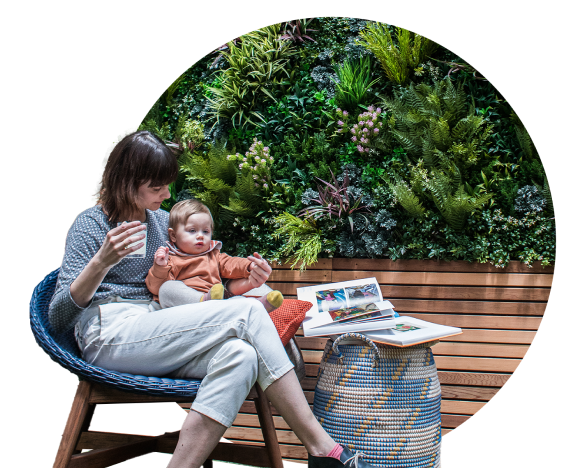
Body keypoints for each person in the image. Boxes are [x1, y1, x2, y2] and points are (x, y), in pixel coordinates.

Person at [48, 130, 377, 468]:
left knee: (242, 355)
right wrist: (100, 262)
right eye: (157, 187)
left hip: (159, 328)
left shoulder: (162, 223)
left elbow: (204, 274)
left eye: (167, 184)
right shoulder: (90, 225)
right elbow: (58, 316)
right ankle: (324, 450)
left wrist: (248, 279)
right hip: (109, 332)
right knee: (246, 313)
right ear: (127, 181)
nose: (167, 193)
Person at [145, 198, 284, 313]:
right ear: (173, 235)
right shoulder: (171, 259)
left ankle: (256, 306)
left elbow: (232, 263)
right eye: (192, 230)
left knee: (235, 299)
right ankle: (207, 300)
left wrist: (250, 265)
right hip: (182, 307)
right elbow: (155, 288)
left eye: (205, 231)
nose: (200, 236)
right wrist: (160, 267)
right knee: (167, 289)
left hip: (214, 302)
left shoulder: (213, 255)